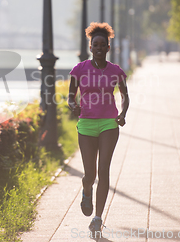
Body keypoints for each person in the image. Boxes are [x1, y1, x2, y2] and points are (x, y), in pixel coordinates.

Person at [68, 22, 129, 236]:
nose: (100, 48)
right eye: (96, 44)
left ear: (108, 48)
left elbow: (124, 95)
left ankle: (97, 218)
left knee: (103, 171)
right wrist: (72, 104)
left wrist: (122, 114)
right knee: (90, 174)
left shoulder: (116, 71)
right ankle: (86, 190)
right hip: (86, 124)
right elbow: (70, 95)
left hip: (108, 124)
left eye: (104, 44)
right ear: (90, 47)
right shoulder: (79, 69)